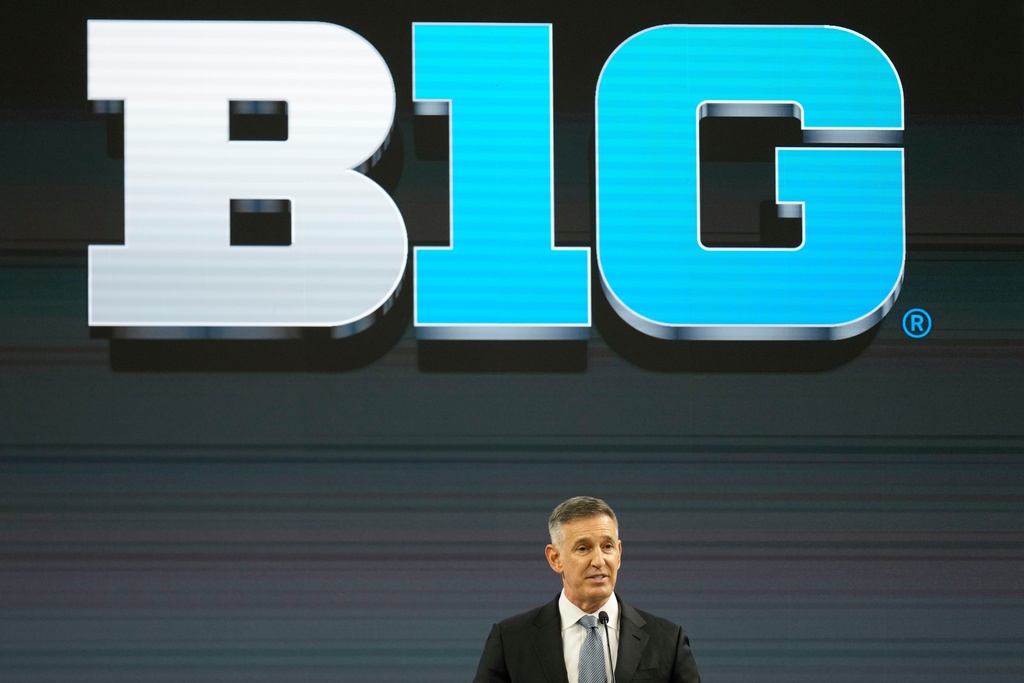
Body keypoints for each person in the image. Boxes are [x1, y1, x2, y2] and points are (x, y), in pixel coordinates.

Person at [473, 496, 701, 683]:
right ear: (555, 558)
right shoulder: (511, 639)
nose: (599, 560)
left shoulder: (667, 640)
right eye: (583, 548)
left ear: (619, 554)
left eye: (607, 546)